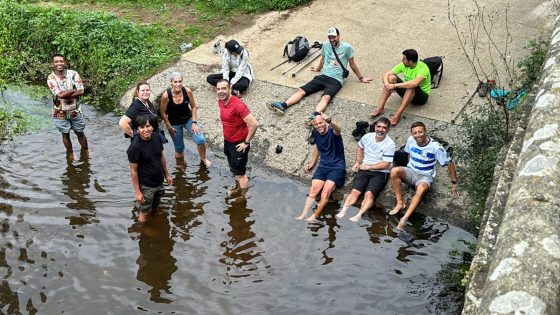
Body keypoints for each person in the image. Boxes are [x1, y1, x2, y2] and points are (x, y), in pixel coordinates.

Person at [269, 27, 372, 116]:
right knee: (301, 90)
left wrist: (361, 78)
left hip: (336, 79)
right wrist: (318, 69)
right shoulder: (326, 45)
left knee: (326, 97)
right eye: (330, 37)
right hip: (323, 76)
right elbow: (323, 59)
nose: (332, 39)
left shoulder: (347, 48)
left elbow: (352, 64)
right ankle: (283, 105)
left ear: (339, 36)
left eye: (334, 37)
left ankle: (315, 115)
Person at [389, 122, 459, 229]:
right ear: (412, 134)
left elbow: (449, 163)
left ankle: (404, 218)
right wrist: (409, 167)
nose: (418, 135)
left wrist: (454, 183)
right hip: (411, 171)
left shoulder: (435, 147)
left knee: (421, 189)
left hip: (425, 176)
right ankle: (400, 203)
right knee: (394, 171)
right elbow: (408, 153)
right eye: (415, 133)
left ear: (425, 131)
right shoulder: (410, 140)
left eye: (420, 132)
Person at [336, 117, 395, 222]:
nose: (380, 129)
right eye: (379, 126)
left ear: (388, 130)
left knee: (369, 194)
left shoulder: (390, 144)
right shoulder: (367, 136)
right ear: (375, 127)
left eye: (384, 128)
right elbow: (360, 147)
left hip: (380, 172)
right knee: (355, 191)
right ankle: (344, 210)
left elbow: (386, 164)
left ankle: (359, 214)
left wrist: (370, 167)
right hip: (365, 168)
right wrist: (358, 162)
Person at [296, 113, 346, 221]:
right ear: (313, 125)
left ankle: (314, 216)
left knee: (325, 192)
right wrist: (312, 163)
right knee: (313, 191)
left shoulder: (333, 132)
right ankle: (304, 214)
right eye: (316, 124)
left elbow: (339, 129)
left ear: (325, 123)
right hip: (323, 165)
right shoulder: (317, 133)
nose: (319, 126)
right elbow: (318, 147)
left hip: (337, 166)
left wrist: (329, 120)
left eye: (321, 123)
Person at [215, 79, 259, 197]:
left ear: (230, 88)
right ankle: (237, 188)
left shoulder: (238, 105)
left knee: (241, 174)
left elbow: (254, 124)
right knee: (234, 169)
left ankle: (242, 197)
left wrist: (246, 142)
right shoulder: (221, 101)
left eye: (224, 88)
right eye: (218, 89)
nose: (221, 91)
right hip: (228, 141)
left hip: (239, 144)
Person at [127, 116, 173, 223]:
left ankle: (152, 223)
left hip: (159, 182)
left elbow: (161, 156)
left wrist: (167, 175)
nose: (146, 130)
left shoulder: (157, 137)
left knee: (155, 207)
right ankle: (142, 232)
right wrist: (138, 192)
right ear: (137, 129)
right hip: (146, 185)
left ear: (152, 127)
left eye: (148, 126)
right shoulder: (135, 147)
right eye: (142, 127)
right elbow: (133, 171)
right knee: (144, 212)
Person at [160, 72, 210, 167]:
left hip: (188, 119)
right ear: (171, 82)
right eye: (175, 82)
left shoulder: (187, 91)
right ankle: (180, 166)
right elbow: (162, 112)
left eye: (180, 81)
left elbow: (194, 107)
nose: (178, 84)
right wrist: (169, 127)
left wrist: (194, 123)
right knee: (179, 148)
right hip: (174, 123)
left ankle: (203, 159)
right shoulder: (166, 96)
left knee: (200, 140)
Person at [370, 49, 431, 126]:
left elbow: (415, 83)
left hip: (421, 97)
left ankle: (397, 115)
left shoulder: (423, 68)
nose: (402, 60)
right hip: (408, 92)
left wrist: (394, 86)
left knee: (411, 86)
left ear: (410, 62)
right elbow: (387, 74)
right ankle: (380, 108)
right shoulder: (404, 64)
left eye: (404, 59)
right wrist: (387, 84)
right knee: (391, 78)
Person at [47, 54, 88, 159]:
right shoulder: (51, 78)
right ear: (53, 64)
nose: (59, 63)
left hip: (75, 110)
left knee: (80, 132)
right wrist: (74, 90)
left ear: (65, 63)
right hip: (59, 112)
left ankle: (86, 150)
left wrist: (66, 94)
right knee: (65, 134)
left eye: (61, 61)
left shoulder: (73, 74)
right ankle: (70, 152)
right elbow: (59, 95)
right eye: (56, 62)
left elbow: (82, 90)